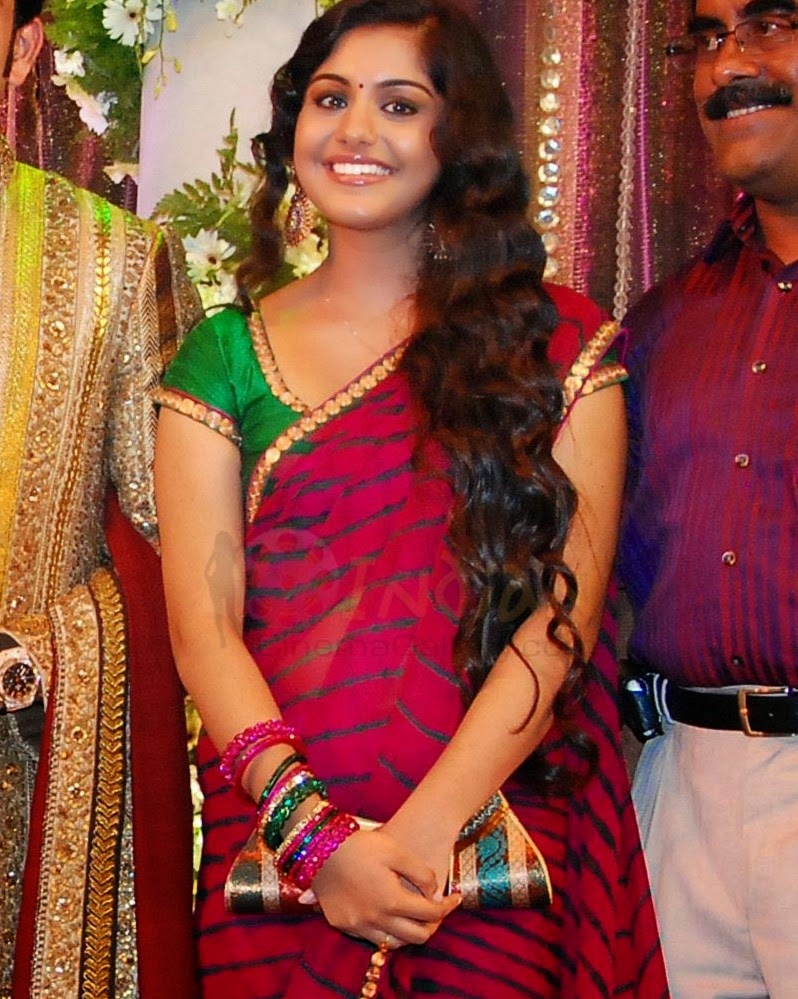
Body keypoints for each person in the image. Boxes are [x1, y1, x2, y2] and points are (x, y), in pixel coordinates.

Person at [155, 1, 667, 996]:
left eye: (399, 104)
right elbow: (203, 627)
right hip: (278, 866)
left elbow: (563, 617)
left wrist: (426, 833)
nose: (355, 130)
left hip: (488, 859)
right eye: (330, 99)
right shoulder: (223, 356)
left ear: (458, 135)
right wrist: (317, 843)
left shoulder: (558, 347)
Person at [0, 1, 204, 995]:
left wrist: (49, 650)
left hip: (29, 762)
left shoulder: (116, 265)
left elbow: (182, 543)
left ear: (22, 50)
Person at [618, 1, 798, 996]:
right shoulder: (664, 321)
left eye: (770, 23)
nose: (727, 66)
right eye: (708, 36)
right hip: (679, 782)